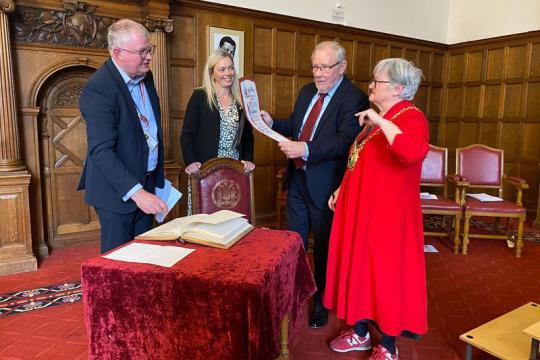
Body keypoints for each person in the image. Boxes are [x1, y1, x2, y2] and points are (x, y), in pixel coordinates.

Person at [323, 58, 429, 360]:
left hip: (388, 219)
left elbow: (411, 152)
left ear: (398, 88)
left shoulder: (411, 117)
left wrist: (381, 121)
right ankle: (360, 332)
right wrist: (341, 188)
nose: (370, 85)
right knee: (361, 273)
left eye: (377, 81)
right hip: (362, 214)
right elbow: (359, 161)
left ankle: (388, 346)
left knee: (385, 278)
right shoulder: (380, 118)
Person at [260, 41, 369, 328]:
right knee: (293, 241)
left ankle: (321, 300)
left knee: (323, 246)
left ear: (342, 67)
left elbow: (345, 140)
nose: (318, 74)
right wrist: (273, 122)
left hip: (326, 186)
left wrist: (305, 149)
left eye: (324, 67)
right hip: (297, 179)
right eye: (315, 67)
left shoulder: (354, 98)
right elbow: (297, 124)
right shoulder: (307, 91)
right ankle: (293, 292)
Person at [77, 19, 167, 254]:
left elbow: (149, 131)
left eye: (150, 50)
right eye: (142, 52)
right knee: (118, 266)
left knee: (146, 256)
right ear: (118, 53)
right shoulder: (98, 88)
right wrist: (138, 194)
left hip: (147, 184)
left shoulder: (146, 76)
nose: (149, 57)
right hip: (118, 193)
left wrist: (154, 184)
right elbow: (102, 152)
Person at [181, 48, 254, 176]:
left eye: (231, 68)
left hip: (234, 169)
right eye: (222, 69)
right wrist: (190, 161)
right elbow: (187, 134)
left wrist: (247, 160)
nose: (228, 73)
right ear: (211, 73)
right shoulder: (200, 96)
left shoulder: (241, 100)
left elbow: (247, 136)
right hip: (204, 170)